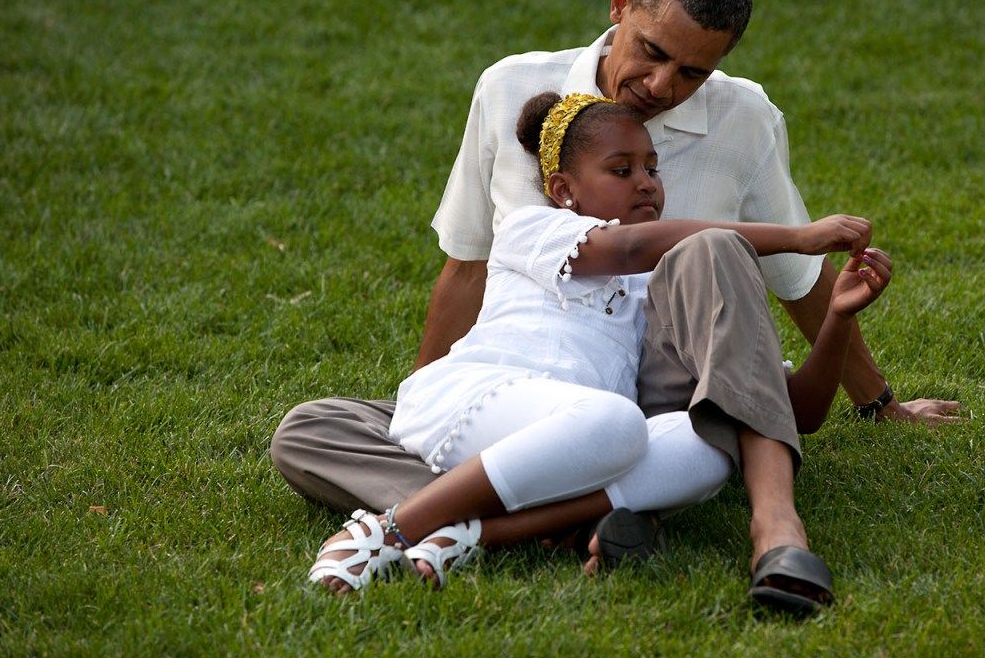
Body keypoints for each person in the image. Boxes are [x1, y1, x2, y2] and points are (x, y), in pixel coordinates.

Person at [272, 0, 956, 609]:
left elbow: (798, 280)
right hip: (508, 392)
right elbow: (470, 265)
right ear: (620, 3)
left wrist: (875, 397)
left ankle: (755, 526)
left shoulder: (744, 120)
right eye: (652, 52)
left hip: (637, 393)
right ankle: (571, 511)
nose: (662, 86)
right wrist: (423, 391)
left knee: (705, 402)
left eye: (692, 73)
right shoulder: (510, 98)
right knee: (312, 431)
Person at [296, 92, 891, 618]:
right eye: (622, 169)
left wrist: (838, 320)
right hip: (481, 398)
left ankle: (477, 531)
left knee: (708, 449)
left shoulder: (666, 285)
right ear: (563, 191)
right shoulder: (533, 229)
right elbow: (629, 246)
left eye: (652, 168)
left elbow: (790, 411)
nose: (646, 183)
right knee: (610, 422)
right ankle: (392, 529)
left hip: (580, 439)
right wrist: (796, 238)